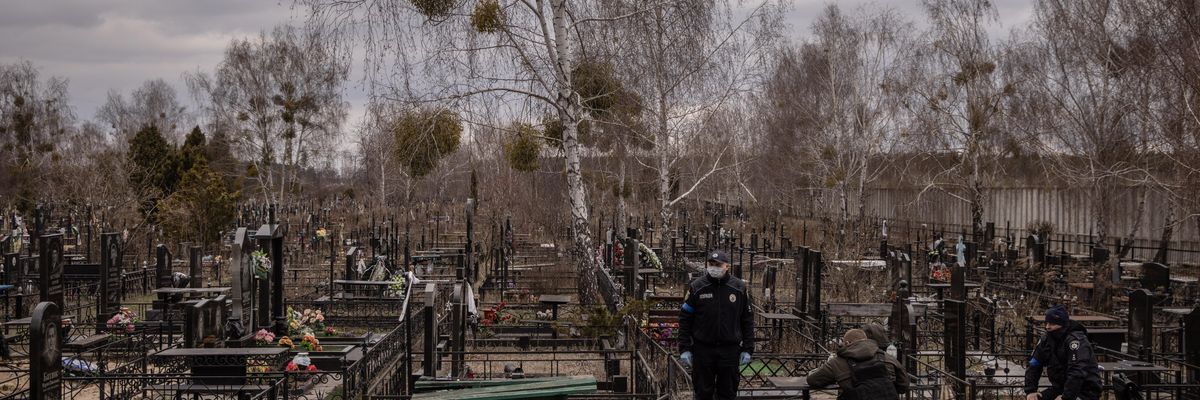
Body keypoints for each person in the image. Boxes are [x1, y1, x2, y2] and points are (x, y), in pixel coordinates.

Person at [679, 250, 754, 400]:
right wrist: (684, 348)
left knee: (727, 393)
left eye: (718, 264)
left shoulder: (739, 288)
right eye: (711, 264)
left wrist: (748, 348)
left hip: (729, 351)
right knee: (702, 393)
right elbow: (685, 318)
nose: (714, 267)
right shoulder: (697, 287)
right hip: (703, 350)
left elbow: (747, 319)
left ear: (727, 266)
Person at [1023, 305, 1102, 400]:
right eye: (1046, 323)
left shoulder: (1076, 341)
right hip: (1060, 388)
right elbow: (1034, 363)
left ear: (1062, 324)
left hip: (1085, 391)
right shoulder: (1047, 339)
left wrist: (1066, 397)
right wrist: (1031, 390)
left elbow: (1077, 372)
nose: (1047, 327)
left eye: (1052, 324)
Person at [808, 328, 908, 399]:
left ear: (846, 343)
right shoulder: (887, 357)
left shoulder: (836, 362)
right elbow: (903, 385)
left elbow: (813, 380)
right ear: (866, 340)